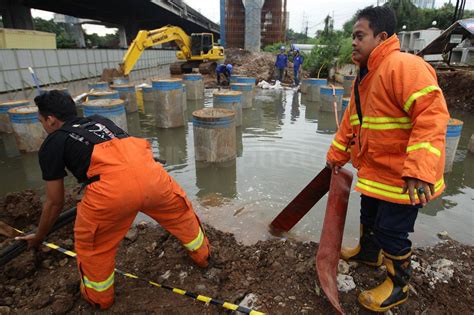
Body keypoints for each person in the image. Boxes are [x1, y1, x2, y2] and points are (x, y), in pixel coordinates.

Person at [17, 91, 211, 309]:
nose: (43, 125)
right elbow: (124, 153)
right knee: (181, 216)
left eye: (41, 120)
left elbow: (54, 202)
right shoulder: (101, 121)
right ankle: (203, 256)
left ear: (51, 119)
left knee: (93, 248)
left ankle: (100, 299)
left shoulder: (54, 142)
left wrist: (40, 235)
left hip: (110, 195)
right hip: (154, 177)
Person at [325, 6, 449, 312]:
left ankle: (398, 286)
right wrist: (337, 154)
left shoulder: (404, 67)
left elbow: (432, 116)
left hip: (404, 179)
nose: (353, 42)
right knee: (370, 217)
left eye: (359, 36)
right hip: (377, 175)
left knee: (393, 232)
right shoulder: (364, 78)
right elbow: (352, 123)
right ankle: (368, 254)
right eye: (352, 36)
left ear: (381, 37)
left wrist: (420, 170)